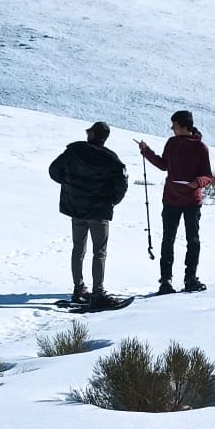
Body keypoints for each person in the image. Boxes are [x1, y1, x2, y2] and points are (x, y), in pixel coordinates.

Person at [48, 121, 129, 307]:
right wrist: (111, 200)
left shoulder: (74, 151)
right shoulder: (111, 159)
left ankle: (78, 289)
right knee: (99, 252)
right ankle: (98, 293)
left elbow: (54, 171)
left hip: (76, 208)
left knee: (78, 249)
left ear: (92, 134)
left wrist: (71, 186)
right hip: (99, 210)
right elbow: (121, 185)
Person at [138, 110, 213, 294]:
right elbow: (164, 165)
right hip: (175, 199)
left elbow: (208, 175)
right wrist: (146, 152)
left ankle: (188, 278)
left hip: (187, 200)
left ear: (185, 127)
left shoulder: (200, 148)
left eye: (175, 125)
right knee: (171, 240)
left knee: (189, 240)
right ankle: (167, 281)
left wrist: (197, 182)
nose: (172, 128)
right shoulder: (172, 143)